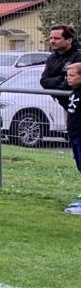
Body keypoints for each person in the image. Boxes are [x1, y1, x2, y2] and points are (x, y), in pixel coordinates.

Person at [41, 24, 81, 111]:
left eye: (57, 38)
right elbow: (44, 81)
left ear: (69, 40)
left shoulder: (78, 56)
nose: (52, 41)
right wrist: (61, 78)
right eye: (51, 38)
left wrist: (55, 90)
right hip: (67, 106)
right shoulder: (52, 58)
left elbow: (72, 83)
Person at [64, 63, 81, 214]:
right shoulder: (74, 93)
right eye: (68, 75)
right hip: (74, 136)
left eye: (72, 75)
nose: (68, 78)